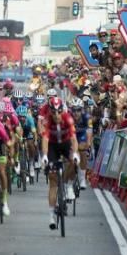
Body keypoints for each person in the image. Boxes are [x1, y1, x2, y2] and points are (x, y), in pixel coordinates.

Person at [39, 93, 79, 230]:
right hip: (53, 147)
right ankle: (51, 215)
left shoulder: (68, 119)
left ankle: (68, 186)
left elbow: (74, 139)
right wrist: (44, 155)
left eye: (59, 111)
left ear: (63, 110)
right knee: (53, 180)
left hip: (66, 143)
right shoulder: (46, 121)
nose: (56, 114)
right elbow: (45, 139)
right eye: (53, 111)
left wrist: (74, 153)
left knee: (74, 162)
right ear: (49, 111)